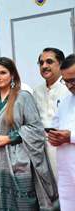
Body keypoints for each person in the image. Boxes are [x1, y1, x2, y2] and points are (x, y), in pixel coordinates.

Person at [0, 57, 58, 210]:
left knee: (23, 201)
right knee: (0, 200)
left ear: (12, 75)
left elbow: (35, 128)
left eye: (3, 73)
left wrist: (9, 138)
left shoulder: (22, 97)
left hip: (19, 159)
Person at [33, 47, 69, 177]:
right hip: (42, 145)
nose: (44, 66)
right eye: (41, 63)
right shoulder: (37, 91)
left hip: (65, 144)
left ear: (60, 64)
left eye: (49, 61)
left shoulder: (69, 88)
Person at [48, 54, 75, 211]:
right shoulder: (65, 101)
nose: (70, 85)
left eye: (73, 80)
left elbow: (68, 134)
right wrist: (54, 137)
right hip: (67, 170)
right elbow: (55, 126)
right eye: (66, 81)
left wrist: (69, 136)